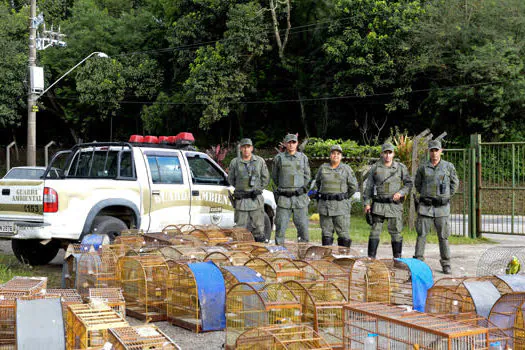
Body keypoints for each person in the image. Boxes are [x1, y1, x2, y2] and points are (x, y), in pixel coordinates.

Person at [413, 139, 459, 274]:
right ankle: (418, 262)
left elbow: (454, 183)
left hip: (442, 208)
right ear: (429, 151)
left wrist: (446, 196)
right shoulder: (423, 167)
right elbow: (418, 184)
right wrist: (426, 195)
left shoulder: (448, 167)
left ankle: (446, 263)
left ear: (441, 151)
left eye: (436, 150)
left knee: (443, 236)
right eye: (432, 150)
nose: (434, 153)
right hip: (425, 207)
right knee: (421, 235)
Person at [363, 143, 413, 258]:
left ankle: (397, 260)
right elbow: (369, 187)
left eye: (390, 152)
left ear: (393, 154)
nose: (387, 155)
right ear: (382, 154)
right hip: (379, 205)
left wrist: (401, 193)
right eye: (385, 152)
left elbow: (408, 184)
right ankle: (371, 259)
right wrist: (367, 203)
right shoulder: (375, 168)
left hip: (394, 206)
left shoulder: (400, 168)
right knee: (374, 233)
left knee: (396, 233)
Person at [314, 145, 357, 248]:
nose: (335, 156)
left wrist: (343, 196)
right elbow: (318, 183)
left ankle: (343, 258)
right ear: (330, 155)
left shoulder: (346, 169)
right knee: (326, 233)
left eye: (338, 154)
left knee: (343, 233)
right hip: (325, 206)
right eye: (333, 153)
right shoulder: (323, 168)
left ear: (341, 156)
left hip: (341, 207)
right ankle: (327, 259)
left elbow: (353, 186)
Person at [228, 138, 270, 243]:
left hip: (255, 200)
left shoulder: (259, 161)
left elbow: (265, 178)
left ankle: (258, 251)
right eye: (244, 147)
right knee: (239, 229)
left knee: (259, 228)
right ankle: (241, 253)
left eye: (248, 147)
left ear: (252, 148)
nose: (246, 149)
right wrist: (241, 189)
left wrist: (258, 189)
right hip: (241, 201)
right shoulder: (235, 162)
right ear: (241, 149)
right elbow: (231, 179)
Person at [272, 134, 311, 245]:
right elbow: (275, 177)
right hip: (284, 198)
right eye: (289, 142)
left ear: (297, 143)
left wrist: (301, 188)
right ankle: (280, 254)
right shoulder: (279, 158)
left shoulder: (303, 158)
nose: (291, 144)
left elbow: (307, 176)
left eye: (293, 142)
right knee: (280, 227)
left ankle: (302, 254)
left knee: (303, 228)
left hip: (300, 198)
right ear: (285, 143)